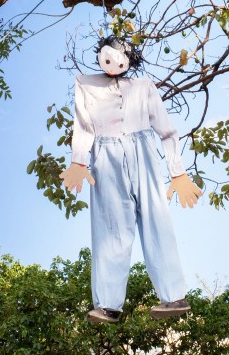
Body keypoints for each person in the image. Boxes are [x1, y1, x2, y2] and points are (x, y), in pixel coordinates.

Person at [60, 36, 203, 324]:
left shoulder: (143, 86)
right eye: (107, 58)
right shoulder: (86, 83)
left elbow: (166, 130)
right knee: (111, 225)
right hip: (106, 152)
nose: (113, 65)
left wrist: (177, 172)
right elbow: (84, 125)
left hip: (143, 148)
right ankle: (108, 304)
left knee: (155, 216)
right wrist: (79, 159)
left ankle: (174, 295)